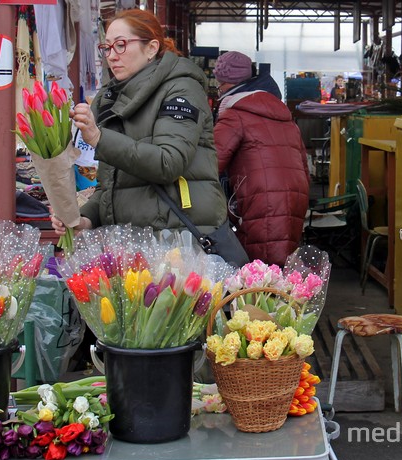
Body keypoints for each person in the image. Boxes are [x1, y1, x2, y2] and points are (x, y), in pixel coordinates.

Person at [52, 8, 226, 236]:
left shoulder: (180, 89)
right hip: (131, 242)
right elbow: (110, 185)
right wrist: (84, 219)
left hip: (175, 239)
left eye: (121, 44)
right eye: (107, 48)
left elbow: (169, 162)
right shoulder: (109, 98)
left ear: (151, 48)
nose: (112, 56)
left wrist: (99, 138)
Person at [213, 51, 310, 267]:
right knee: (279, 267)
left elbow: (210, 164)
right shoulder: (284, 115)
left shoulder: (234, 114)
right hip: (294, 199)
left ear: (227, 85)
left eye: (219, 87)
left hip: (259, 200)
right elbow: (304, 166)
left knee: (257, 271)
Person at [212, 51, 282, 104]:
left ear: (236, 82)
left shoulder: (236, 105)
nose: (219, 88)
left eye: (221, 83)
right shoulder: (265, 99)